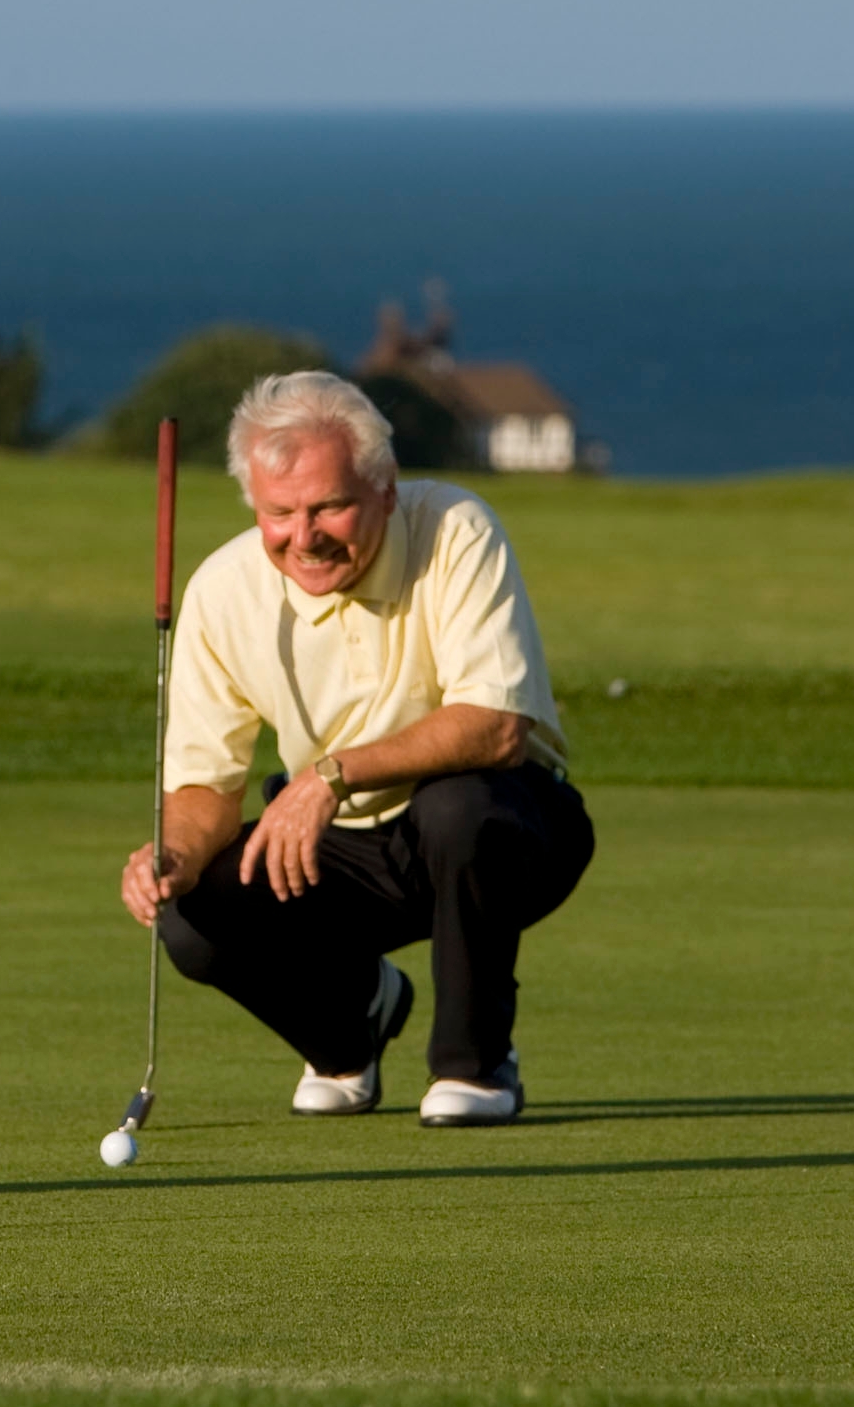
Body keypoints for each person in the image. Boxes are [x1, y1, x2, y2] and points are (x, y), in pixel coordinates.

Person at [120, 372, 595, 1126]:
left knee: (459, 809)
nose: (303, 537)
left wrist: (329, 776)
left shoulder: (456, 528)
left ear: (384, 486)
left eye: (329, 507)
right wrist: (172, 854)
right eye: (279, 513)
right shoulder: (223, 591)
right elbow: (206, 787)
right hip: (339, 851)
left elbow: (498, 726)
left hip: (508, 833)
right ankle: (349, 1031)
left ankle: (475, 1067)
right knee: (193, 914)